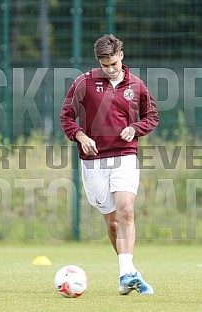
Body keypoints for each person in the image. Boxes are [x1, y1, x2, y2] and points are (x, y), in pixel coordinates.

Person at [60, 34, 159, 295]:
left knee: (126, 210)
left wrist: (135, 128)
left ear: (121, 57)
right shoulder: (84, 82)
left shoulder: (136, 85)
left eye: (113, 64)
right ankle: (131, 271)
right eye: (105, 65)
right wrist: (80, 136)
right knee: (113, 222)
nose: (110, 69)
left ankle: (125, 274)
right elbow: (66, 116)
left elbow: (152, 116)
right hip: (93, 162)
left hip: (125, 156)